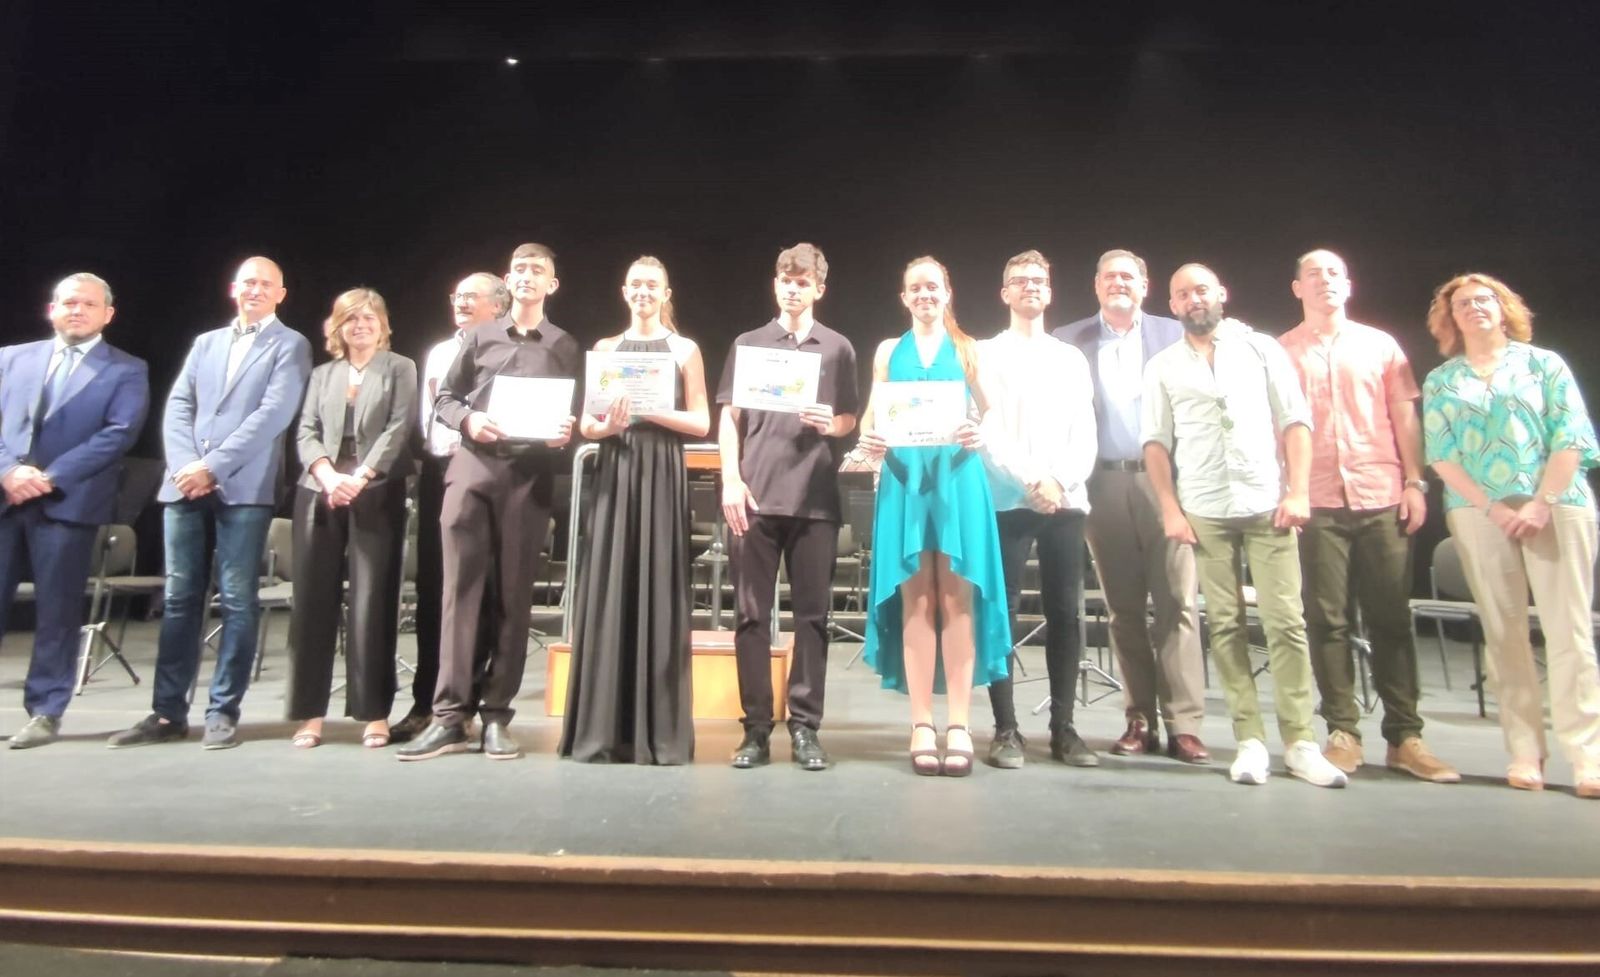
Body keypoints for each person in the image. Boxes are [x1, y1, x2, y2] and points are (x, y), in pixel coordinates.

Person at [1143, 262, 1346, 788]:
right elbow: (1156, 444)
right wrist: (1170, 509)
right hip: (1204, 509)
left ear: (1222, 294)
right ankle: (1249, 740)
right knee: (1227, 626)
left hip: (1265, 503)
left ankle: (1301, 741)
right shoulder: (1163, 365)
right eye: (1183, 293)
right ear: (1173, 305)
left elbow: (1295, 420)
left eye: (1201, 290)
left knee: (1286, 623)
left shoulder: (1261, 350)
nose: (1194, 299)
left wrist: (1299, 490)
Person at [109, 256, 312, 751]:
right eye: (248, 283)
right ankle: (166, 713)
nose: (256, 290)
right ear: (232, 289)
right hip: (183, 485)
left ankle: (223, 711)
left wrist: (213, 466)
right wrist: (184, 465)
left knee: (238, 601)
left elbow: (273, 415)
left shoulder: (292, 345)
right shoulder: (207, 343)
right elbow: (178, 406)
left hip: (243, 488)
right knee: (179, 600)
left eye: (266, 284)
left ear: (281, 294)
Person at [1279, 250, 1458, 782]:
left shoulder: (1381, 346)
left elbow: (1405, 417)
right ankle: (1342, 731)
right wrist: (1288, 491)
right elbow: (1278, 429)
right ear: (1297, 288)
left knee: (1391, 620)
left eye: (1333, 273)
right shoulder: (1282, 351)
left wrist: (1414, 482)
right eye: (1313, 274)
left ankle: (1406, 736)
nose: (1324, 281)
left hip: (1381, 493)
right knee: (1326, 620)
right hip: (1316, 499)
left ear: (1349, 284)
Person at [398, 243, 579, 761]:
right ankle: (450, 716)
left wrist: (562, 432)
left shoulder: (564, 345)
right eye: (520, 269)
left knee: (513, 600)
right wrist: (470, 420)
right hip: (473, 470)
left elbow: (573, 412)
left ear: (552, 284)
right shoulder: (478, 337)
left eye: (538, 270)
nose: (527, 276)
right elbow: (446, 398)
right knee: (459, 595)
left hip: (529, 477)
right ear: (508, 279)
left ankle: (497, 715)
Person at [1422, 272, 1600, 797]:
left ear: (1504, 309)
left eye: (1484, 301)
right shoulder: (1442, 380)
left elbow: (1572, 435)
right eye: (1463, 304)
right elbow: (1441, 454)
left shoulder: (1544, 364)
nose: (1475, 309)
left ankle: (1586, 755)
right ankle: (1524, 751)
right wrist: (1492, 507)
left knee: (1570, 635)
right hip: (1480, 513)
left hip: (1557, 506)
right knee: (1503, 636)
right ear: (1449, 318)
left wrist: (1542, 502)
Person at [858, 256, 1011, 777]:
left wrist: (980, 430)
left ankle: (961, 725)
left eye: (933, 287)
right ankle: (922, 722)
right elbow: (871, 417)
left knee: (957, 596)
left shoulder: (970, 349)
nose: (924, 295)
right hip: (904, 477)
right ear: (904, 297)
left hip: (957, 476)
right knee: (916, 597)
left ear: (948, 293)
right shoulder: (886, 351)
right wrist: (871, 439)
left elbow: (994, 410)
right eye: (915, 288)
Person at [1056, 249, 1209, 764]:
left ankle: (1185, 724)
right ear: (1096, 286)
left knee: (1178, 604)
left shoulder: (1175, 334)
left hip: (1169, 486)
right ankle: (1138, 717)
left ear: (1145, 285)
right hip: (1102, 484)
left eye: (1128, 276)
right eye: (1109, 277)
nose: (1118, 283)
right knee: (1122, 609)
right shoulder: (1068, 341)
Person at [561, 255, 710, 764]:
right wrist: (606, 428)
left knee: (658, 584)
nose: (644, 291)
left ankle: (659, 732)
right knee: (610, 587)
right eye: (636, 284)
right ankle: (603, 729)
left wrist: (649, 411)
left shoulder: (685, 349)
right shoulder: (605, 349)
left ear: (667, 293)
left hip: (661, 470)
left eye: (653, 285)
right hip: (617, 466)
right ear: (624, 292)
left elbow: (701, 421)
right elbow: (587, 423)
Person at [719, 243, 859, 771]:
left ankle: (805, 728)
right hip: (753, 498)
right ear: (776, 283)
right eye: (785, 278)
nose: (793, 287)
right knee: (752, 618)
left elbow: (849, 420)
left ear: (819, 288)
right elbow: (730, 418)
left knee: (812, 620)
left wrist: (834, 423)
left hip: (814, 500)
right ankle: (755, 730)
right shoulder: (749, 343)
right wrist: (731, 479)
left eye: (803, 280)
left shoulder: (838, 347)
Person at [0, 273, 149, 749]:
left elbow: (117, 434)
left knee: (57, 612)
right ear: (52, 309)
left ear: (108, 313)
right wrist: (9, 471)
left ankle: (45, 711)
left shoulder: (126, 369)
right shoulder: (11, 359)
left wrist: (48, 476)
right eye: (68, 303)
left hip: (67, 503)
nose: (76, 310)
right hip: (4, 496)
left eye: (87, 304)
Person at [976, 250, 1098, 769]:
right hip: (1006, 500)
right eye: (1019, 281)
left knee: (1065, 614)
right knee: (999, 615)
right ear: (1003, 293)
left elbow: (1085, 430)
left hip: (1065, 501)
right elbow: (985, 430)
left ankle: (1063, 728)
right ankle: (1006, 730)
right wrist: (1031, 480)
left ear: (1049, 292)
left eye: (1039, 280)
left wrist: (1059, 481)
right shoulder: (983, 354)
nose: (1030, 287)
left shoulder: (1070, 357)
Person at [285, 288, 417, 749]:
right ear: (336, 327)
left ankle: (374, 713)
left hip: (374, 491)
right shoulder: (323, 374)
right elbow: (305, 430)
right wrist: (325, 474)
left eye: (369, 318)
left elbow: (399, 427)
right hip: (319, 492)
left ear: (383, 325)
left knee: (371, 603)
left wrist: (359, 477)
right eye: (351, 319)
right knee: (312, 605)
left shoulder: (400, 368)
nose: (361, 326)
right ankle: (309, 716)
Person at [390, 272, 510, 744]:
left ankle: (479, 703)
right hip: (440, 472)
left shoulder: (506, 348)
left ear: (497, 306)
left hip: (486, 469)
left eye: (471, 296)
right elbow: (429, 416)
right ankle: (428, 704)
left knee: (484, 594)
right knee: (434, 591)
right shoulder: (440, 352)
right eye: (456, 295)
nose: (460, 302)